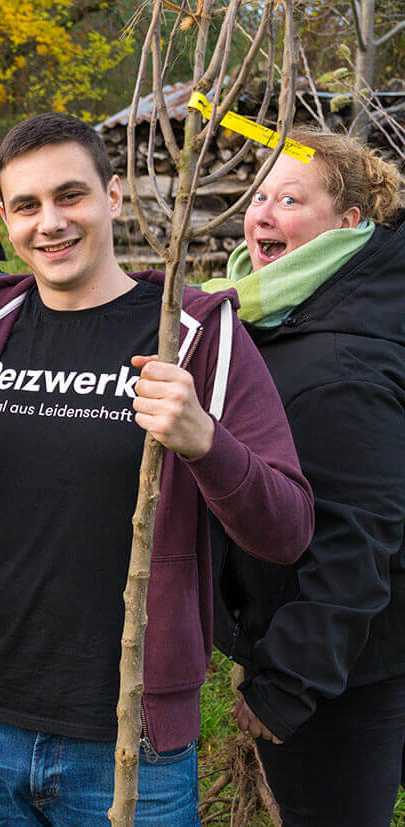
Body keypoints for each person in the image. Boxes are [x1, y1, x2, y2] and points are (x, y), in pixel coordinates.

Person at [0, 113, 314, 825]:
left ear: (114, 194)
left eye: (71, 196)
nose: (51, 222)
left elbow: (286, 527)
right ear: (4, 218)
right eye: (27, 206)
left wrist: (203, 440)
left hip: (131, 741)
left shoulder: (193, 333)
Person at [203, 130, 405, 826]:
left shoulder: (343, 356)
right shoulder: (283, 313)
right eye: (257, 195)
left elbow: (358, 537)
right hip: (332, 649)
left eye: (290, 199)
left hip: (341, 673)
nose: (261, 213)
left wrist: (287, 682)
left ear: (348, 223)